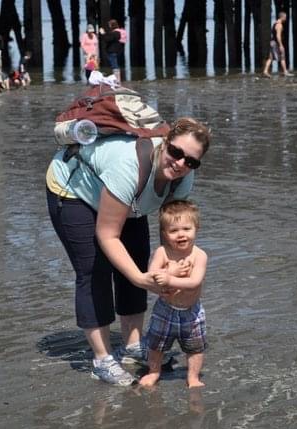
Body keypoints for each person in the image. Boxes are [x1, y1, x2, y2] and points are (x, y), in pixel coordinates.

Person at [46, 118, 211, 385]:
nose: (180, 163)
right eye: (176, 152)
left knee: (137, 258)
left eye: (191, 161)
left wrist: (169, 269)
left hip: (130, 197)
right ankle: (102, 360)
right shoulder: (129, 167)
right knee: (94, 269)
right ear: (165, 143)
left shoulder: (182, 177)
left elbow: (171, 228)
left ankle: (133, 347)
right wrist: (139, 279)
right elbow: (107, 234)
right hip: (74, 188)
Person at [139, 200, 208, 388]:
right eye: (173, 230)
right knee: (156, 345)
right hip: (165, 309)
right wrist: (173, 272)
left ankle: (193, 377)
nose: (181, 234)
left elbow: (194, 282)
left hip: (191, 312)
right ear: (164, 234)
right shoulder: (162, 252)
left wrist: (169, 279)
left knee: (195, 347)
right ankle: (154, 372)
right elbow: (152, 275)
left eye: (186, 228)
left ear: (196, 228)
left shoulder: (199, 255)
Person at [262, 11, 293, 78]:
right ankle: (285, 72)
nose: (286, 19)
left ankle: (265, 71)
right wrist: (281, 45)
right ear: (282, 17)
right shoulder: (279, 25)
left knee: (270, 58)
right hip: (276, 43)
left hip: (272, 42)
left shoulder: (275, 24)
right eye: (285, 17)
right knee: (282, 57)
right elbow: (278, 36)